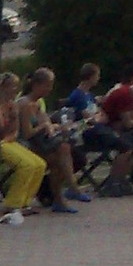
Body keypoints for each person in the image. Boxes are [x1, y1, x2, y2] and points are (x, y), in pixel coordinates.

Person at [65, 63, 133, 196]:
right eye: (97, 75)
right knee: (126, 146)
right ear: (91, 76)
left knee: (128, 143)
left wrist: (99, 116)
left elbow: (101, 115)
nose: (98, 78)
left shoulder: (88, 95)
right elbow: (89, 119)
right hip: (86, 133)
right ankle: (114, 183)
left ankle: (118, 181)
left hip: (98, 129)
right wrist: (98, 117)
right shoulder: (78, 96)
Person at [18, 68, 87, 213]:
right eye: (48, 85)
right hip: (26, 146)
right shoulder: (25, 104)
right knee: (63, 151)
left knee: (61, 153)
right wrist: (44, 126)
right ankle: (72, 189)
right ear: (36, 85)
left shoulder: (37, 103)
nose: (50, 89)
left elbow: (46, 122)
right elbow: (26, 134)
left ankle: (62, 198)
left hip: (40, 143)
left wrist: (54, 127)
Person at [0, 70, 46, 217]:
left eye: (16, 86)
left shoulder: (12, 105)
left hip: (9, 141)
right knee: (26, 165)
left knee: (39, 164)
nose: (15, 90)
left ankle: (25, 201)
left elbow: (15, 131)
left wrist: (13, 119)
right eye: (12, 86)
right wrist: (9, 119)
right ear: (3, 88)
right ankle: (12, 204)